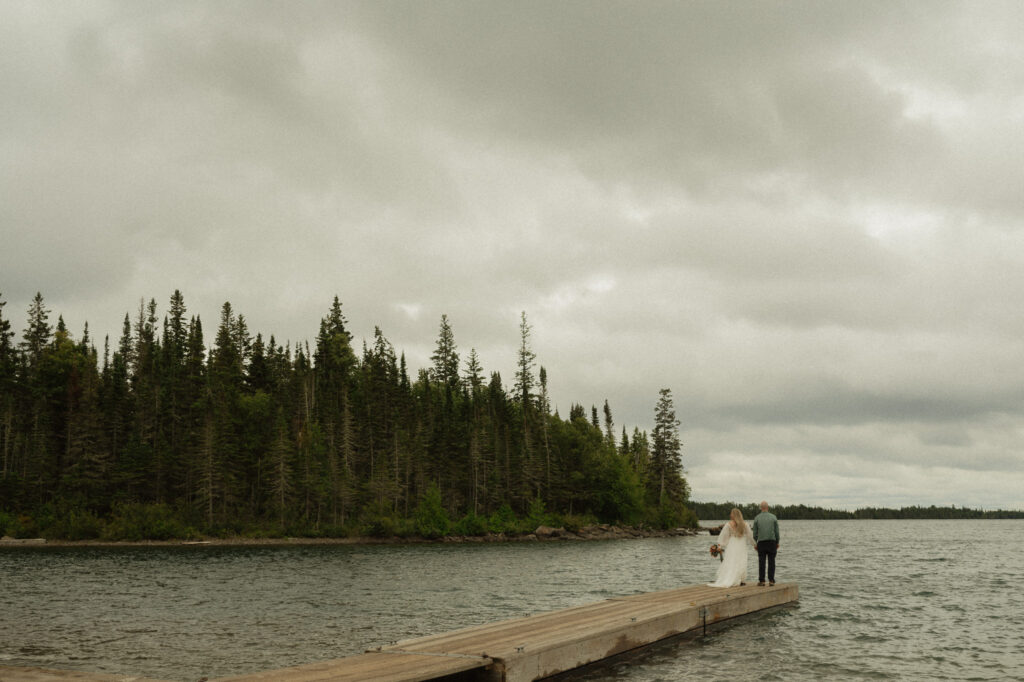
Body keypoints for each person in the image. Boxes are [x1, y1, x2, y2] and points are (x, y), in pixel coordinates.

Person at [707, 508, 755, 588]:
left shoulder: (728, 524)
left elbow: (723, 536)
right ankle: (740, 580)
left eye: (731, 513)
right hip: (741, 544)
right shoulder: (745, 524)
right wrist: (754, 544)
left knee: (731, 560)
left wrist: (720, 545)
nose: (730, 515)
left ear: (734, 515)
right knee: (741, 560)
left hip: (732, 543)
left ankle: (732, 578)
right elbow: (750, 536)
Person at [751, 500, 780, 586]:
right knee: (772, 561)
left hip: (761, 542)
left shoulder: (757, 518)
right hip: (772, 542)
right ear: (767, 507)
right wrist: (777, 542)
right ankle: (771, 580)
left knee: (761, 562)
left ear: (761, 508)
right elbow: (776, 532)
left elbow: (755, 533)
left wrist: (755, 543)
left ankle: (762, 580)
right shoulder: (773, 517)